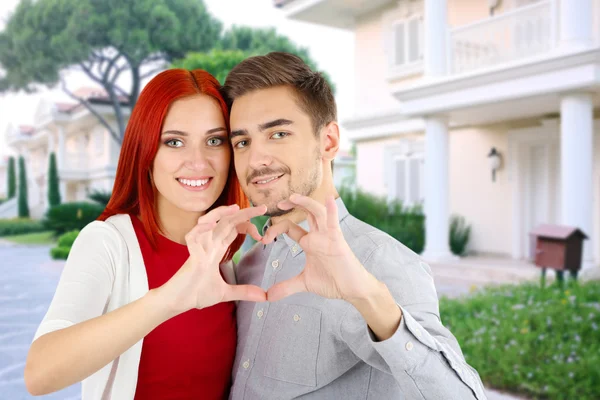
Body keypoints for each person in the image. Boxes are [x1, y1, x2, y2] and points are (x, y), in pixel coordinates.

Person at [222, 52, 488, 400]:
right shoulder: (251, 263)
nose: (256, 160)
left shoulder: (382, 262)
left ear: (328, 141)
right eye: (242, 142)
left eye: (279, 134)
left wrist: (366, 295)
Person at [24, 69, 268, 399]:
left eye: (214, 141)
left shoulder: (223, 257)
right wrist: (169, 298)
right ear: (146, 151)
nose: (198, 162)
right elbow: (39, 375)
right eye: (174, 142)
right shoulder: (107, 242)